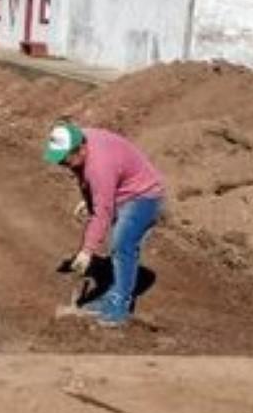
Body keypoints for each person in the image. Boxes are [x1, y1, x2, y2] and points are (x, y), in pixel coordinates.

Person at [43, 121, 164, 327]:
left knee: (122, 244)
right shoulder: (82, 143)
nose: (62, 164)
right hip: (120, 189)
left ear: (80, 149)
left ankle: (119, 307)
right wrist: (91, 198)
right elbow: (86, 178)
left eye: (64, 159)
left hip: (144, 195)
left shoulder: (99, 165)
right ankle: (111, 295)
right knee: (117, 244)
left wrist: (87, 251)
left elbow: (102, 213)